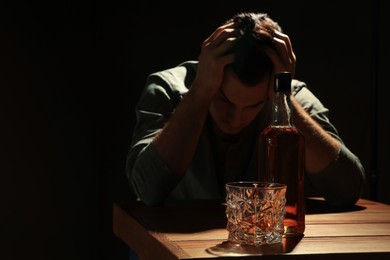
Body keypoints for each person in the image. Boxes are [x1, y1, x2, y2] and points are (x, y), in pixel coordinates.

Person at [125, 12, 365, 207]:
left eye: (254, 106)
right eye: (224, 100)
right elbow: (148, 189)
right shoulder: (167, 89)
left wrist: (283, 98)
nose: (235, 119)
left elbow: (347, 190)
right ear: (207, 73)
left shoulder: (289, 95)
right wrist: (199, 94)